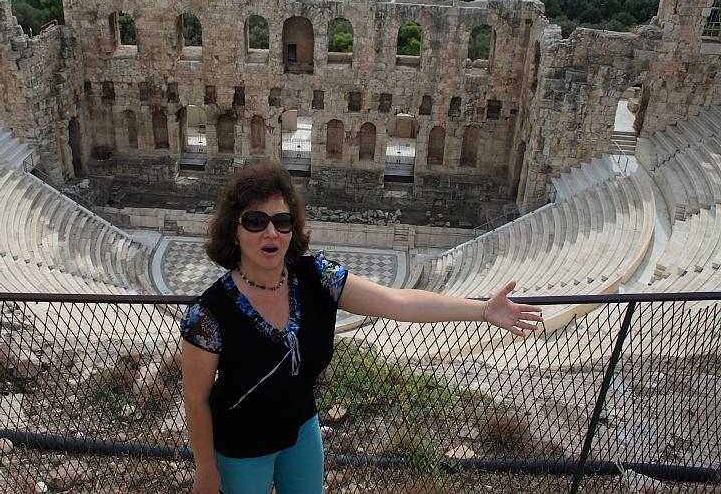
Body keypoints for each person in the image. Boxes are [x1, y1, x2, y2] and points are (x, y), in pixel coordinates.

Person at [180, 161, 543, 494]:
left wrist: (482, 311)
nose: (271, 233)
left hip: (302, 431)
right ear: (235, 229)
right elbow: (196, 399)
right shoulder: (209, 314)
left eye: (282, 221)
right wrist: (206, 470)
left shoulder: (318, 279)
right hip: (242, 448)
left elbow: (397, 303)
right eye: (256, 221)